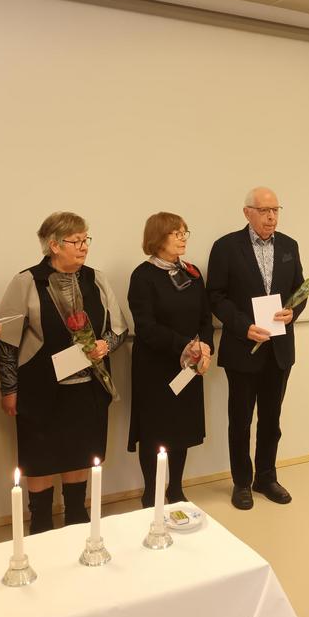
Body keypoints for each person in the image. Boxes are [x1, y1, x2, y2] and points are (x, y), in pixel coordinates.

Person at [0, 212, 127, 534]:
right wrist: (9, 389)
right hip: (40, 388)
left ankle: (76, 516)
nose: (84, 247)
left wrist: (105, 346)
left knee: (81, 453)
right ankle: (40, 521)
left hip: (88, 388)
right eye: (76, 241)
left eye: (86, 240)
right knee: (40, 456)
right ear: (54, 245)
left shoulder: (96, 279)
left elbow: (119, 329)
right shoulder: (26, 282)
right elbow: (6, 341)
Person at [207, 187, 305, 510]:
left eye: (276, 210)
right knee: (240, 421)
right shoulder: (225, 247)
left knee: (271, 420)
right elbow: (215, 296)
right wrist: (243, 326)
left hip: (279, 350)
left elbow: (300, 290)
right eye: (264, 211)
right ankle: (241, 482)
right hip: (242, 348)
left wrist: (293, 312)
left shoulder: (289, 246)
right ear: (247, 212)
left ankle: (266, 477)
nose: (271, 217)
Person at [127, 213, 214, 506]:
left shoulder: (192, 273)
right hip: (155, 367)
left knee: (182, 429)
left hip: (189, 365)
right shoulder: (143, 276)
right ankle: (151, 493)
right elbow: (146, 326)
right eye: (175, 233)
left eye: (184, 232)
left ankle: (175, 489)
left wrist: (205, 348)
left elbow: (205, 318)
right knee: (154, 431)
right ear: (158, 238)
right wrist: (185, 346)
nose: (182, 238)